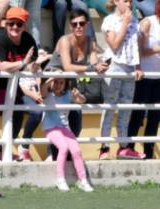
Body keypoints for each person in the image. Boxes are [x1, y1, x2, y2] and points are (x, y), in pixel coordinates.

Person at [43, 8, 107, 162]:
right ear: (70, 26)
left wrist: (100, 66)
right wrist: (92, 68)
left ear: (88, 25)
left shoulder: (90, 42)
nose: (78, 27)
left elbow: (94, 62)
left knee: (76, 123)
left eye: (82, 23)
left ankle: (67, 157)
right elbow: (67, 66)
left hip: (70, 84)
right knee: (57, 122)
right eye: (74, 24)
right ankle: (53, 155)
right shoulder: (65, 40)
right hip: (53, 83)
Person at [0, 7, 48, 160]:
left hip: (20, 84)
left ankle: (23, 145)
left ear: (24, 26)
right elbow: (1, 66)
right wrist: (22, 63)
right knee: (12, 116)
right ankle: (3, 152)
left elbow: (31, 68)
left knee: (37, 111)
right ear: (6, 24)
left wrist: (37, 64)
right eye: (11, 23)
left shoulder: (28, 40)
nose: (15, 27)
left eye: (19, 24)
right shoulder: (0, 38)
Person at [99, 0, 144, 160]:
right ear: (116, 1)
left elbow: (135, 46)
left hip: (130, 68)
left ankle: (123, 147)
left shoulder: (134, 21)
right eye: (125, 0)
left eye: (130, 1)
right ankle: (104, 148)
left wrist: (138, 66)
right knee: (109, 108)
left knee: (126, 109)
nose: (129, 4)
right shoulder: (109, 20)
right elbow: (114, 45)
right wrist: (125, 22)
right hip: (114, 66)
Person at [41, 73, 93, 192]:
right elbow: (42, 90)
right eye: (56, 82)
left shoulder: (68, 94)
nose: (58, 85)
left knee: (76, 151)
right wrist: (51, 78)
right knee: (63, 147)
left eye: (61, 82)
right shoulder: (48, 95)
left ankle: (83, 180)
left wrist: (78, 96)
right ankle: (60, 179)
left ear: (65, 84)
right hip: (51, 128)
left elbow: (82, 101)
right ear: (51, 82)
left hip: (65, 128)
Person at [127, 2, 159, 159]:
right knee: (138, 114)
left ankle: (149, 153)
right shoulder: (148, 22)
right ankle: (129, 149)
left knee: (155, 117)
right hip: (144, 76)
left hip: (159, 78)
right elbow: (138, 50)